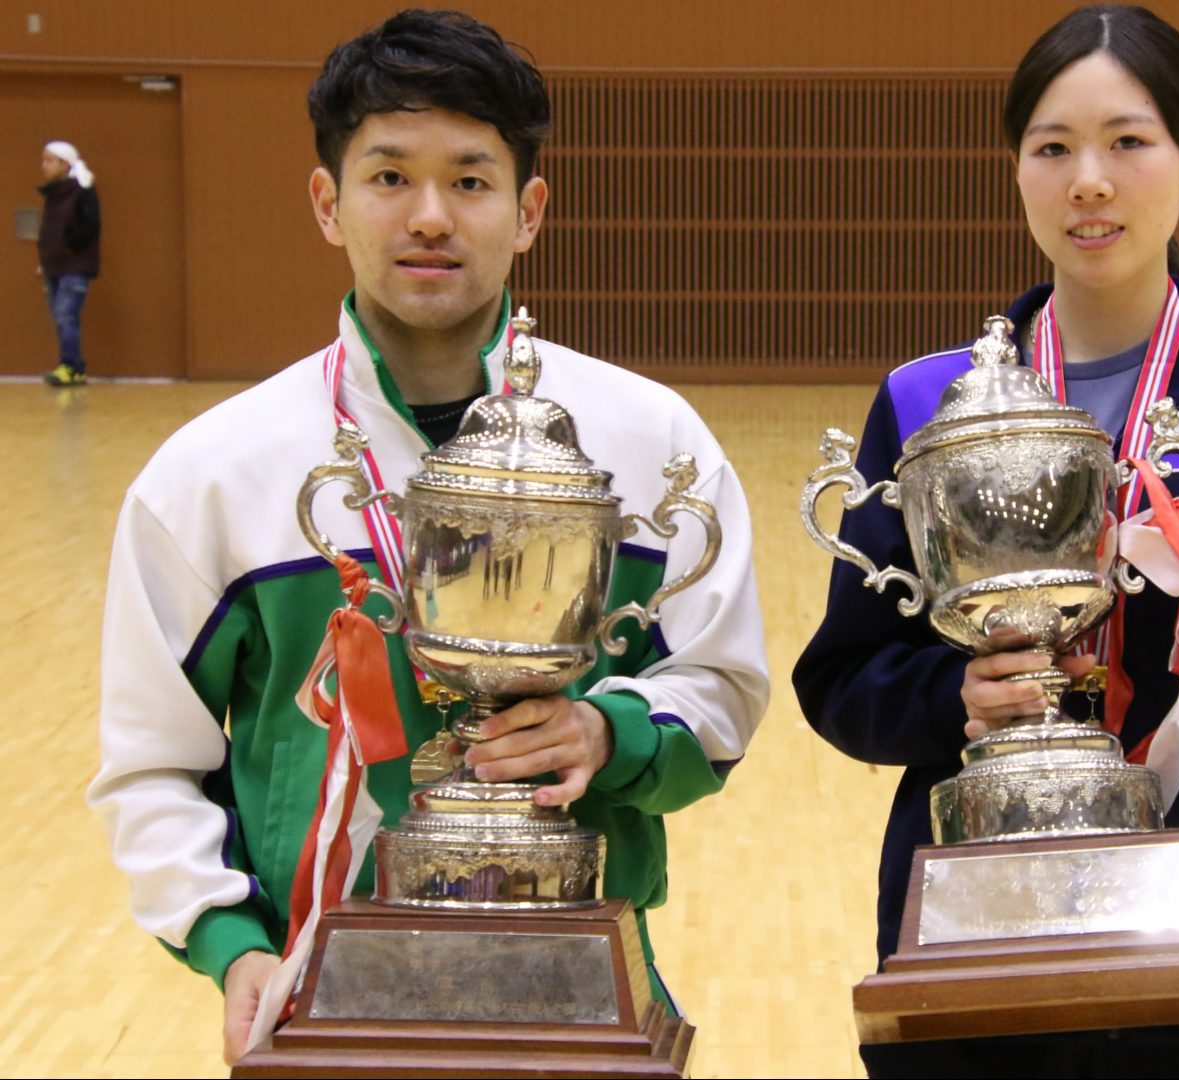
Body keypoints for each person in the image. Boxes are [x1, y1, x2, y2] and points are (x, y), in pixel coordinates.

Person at [87, 9, 768, 1066]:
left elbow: (720, 687)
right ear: (328, 202)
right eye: (390, 177)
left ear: (529, 210)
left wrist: (607, 735)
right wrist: (233, 947)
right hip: (320, 999)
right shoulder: (213, 473)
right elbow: (151, 765)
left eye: (470, 179)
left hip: (579, 989)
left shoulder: (649, 442)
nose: (430, 217)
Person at [793, 6, 1179, 1078]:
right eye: (1051, 147)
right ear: (1014, 169)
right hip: (965, 939)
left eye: (1126, 142)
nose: (1087, 182)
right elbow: (845, 679)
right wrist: (953, 696)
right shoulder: (927, 405)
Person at [36, 140, 100, 386]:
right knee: (61, 316)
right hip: (55, 267)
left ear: (65, 164)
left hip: (74, 267)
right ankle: (70, 365)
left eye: (49, 160)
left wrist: (67, 245)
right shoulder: (54, 193)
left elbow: (91, 225)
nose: (44, 165)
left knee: (66, 315)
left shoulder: (83, 190)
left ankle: (72, 367)